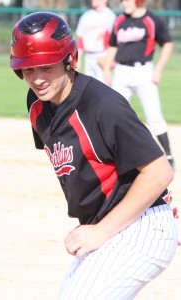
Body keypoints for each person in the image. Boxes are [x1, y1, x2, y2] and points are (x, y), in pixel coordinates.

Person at [10, 12, 178, 299]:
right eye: (28, 69)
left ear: (70, 60)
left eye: (47, 67)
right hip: (107, 226)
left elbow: (160, 171)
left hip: (140, 225)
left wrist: (101, 230)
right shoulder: (38, 105)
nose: (37, 79)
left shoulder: (102, 105)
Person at [103, 0, 175, 169]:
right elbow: (112, 46)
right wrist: (107, 68)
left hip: (143, 72)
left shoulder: (151, 20)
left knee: (154, 116)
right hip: (121, 72)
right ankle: (111, 156)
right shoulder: (119, 20)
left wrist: (158, 69)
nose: (123, 3)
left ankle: (169, 155)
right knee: (112, 113)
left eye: (127, 0)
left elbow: (168, 44)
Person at [75, 0, 116, 82]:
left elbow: (114, 41)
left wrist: (111, 59)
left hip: (103, 56)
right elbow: (81, 40)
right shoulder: (86, 16)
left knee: (103, 88)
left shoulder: (110, 16)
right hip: (88, 57)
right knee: (88, 87)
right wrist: (78, 59)